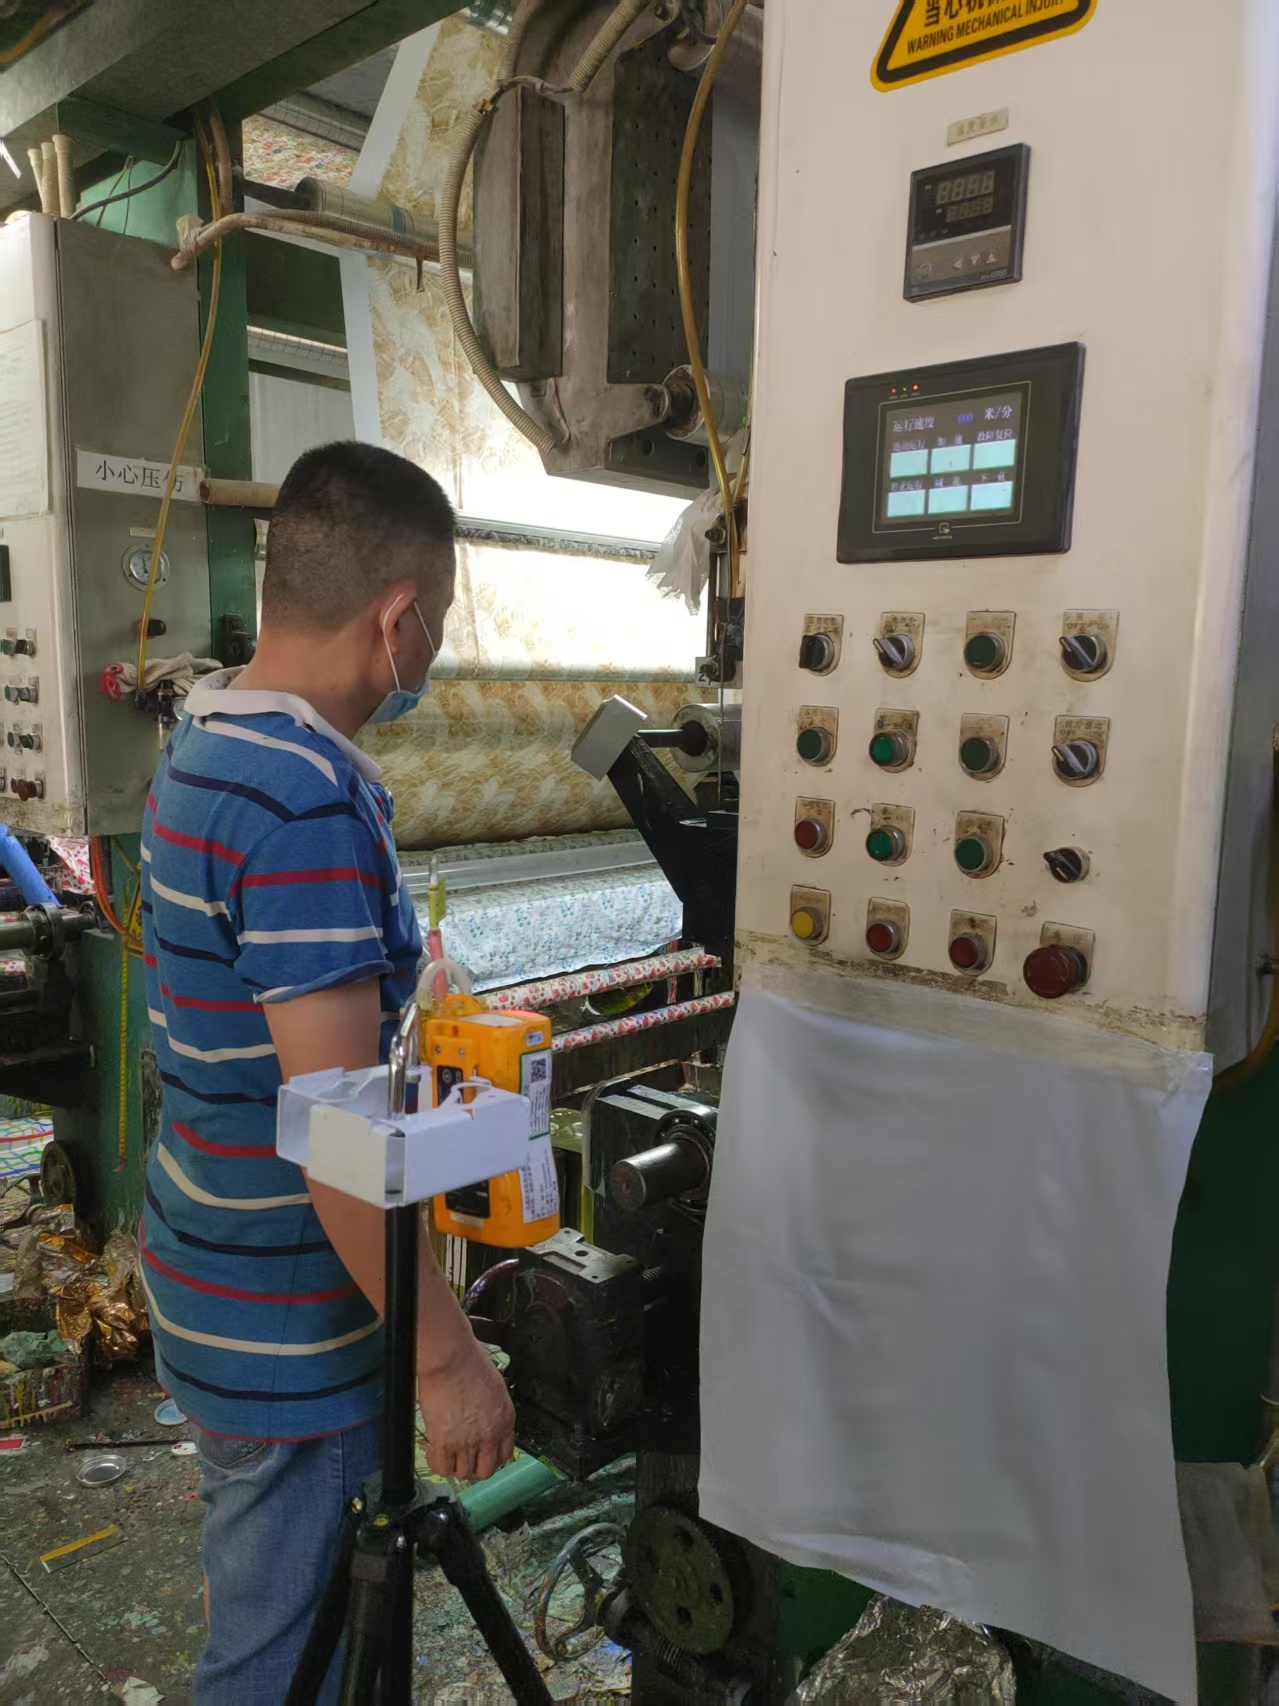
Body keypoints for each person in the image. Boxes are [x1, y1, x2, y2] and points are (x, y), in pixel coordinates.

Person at [138, 441, 514, 1703]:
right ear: (397, 619)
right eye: (439, 626)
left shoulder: (205, 738)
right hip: (292, 1328)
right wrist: (446, 1359)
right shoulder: (302, 800)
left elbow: (245, 1034)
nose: (433, 656)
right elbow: (342, 1140)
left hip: (208, 1267)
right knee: (283, 1664)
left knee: (277, 1624)